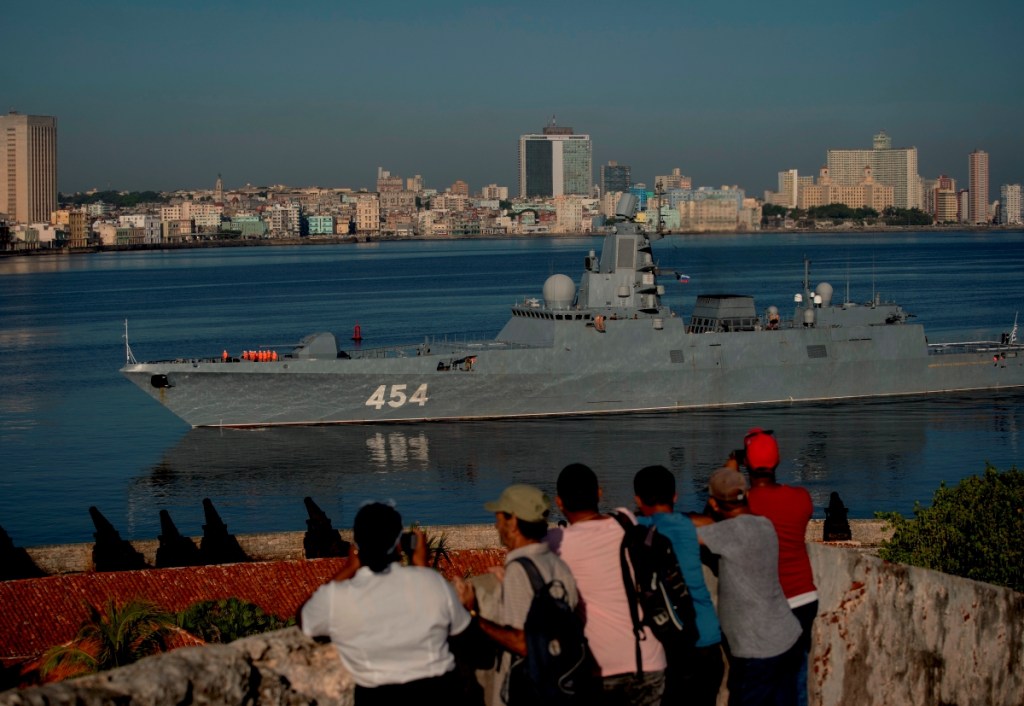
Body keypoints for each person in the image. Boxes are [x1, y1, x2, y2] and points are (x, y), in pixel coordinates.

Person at [298, 502, 474, 706]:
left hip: (377, 697)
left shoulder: (339, 596)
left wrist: (349, 567)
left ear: (356, 545)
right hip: (440, 693)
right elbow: (467, 637)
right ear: (400, 544)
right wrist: (421, 566)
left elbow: (304, 618)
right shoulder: (431, 582)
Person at [547, 463, 667, 706]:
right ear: (599, 493)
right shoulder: (625, 521)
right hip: (648, 659)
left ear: (559, 502)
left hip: (600, 668)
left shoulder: (557, 543)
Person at [453, 483, 581, 706]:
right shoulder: (557, 564)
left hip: (526, 688)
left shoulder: (519, 572)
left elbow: (522, 643)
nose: (496, 524)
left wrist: (472, 612)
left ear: (513, 522)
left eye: (499, 516)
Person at [693, 467, 802, 706]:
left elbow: (686, 530)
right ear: (748, 496)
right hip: (787, 637)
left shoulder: (728, 533)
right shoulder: (765, 525)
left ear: (713, 502)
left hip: (756, 649)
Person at [633, 464, 725, 706]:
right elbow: (713, 521)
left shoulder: (634, 530)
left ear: (638, 499)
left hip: (669, 642)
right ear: (675, 496)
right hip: (706, 636)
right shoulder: (688, 526)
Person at [741, 428, 819, 706]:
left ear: (746, 463)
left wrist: (730, 475)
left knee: (757, 686)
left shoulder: (742, 505)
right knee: (796, 680)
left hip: (763, 605)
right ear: (778, 460)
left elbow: (714, 517)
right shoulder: (801, 498)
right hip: (803, 599)